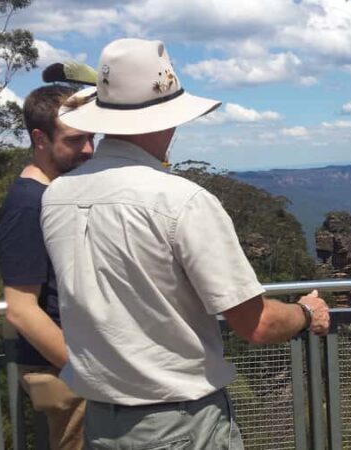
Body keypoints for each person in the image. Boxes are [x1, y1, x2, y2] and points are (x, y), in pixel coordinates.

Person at [40, 38, 330, 449]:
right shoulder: (181, 201)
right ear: (167, 119)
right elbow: (257, 324)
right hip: (180, 425)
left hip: (100, 423)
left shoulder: (56, 197)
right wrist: (306, 312)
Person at [0, 85, 94, 450]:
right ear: (40, 138)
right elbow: (21, 309)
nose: (88, 149)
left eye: (91, 137)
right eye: (75, 139)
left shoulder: (55, 194)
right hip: (65, 369)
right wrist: (85, 369)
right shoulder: (26, 206)